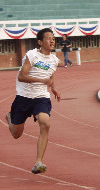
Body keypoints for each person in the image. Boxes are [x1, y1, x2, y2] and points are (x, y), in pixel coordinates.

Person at [5, 28, 61, 174]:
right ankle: (10, 118)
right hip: (23, 97)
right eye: (48, 38)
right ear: (40, 42)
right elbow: (21, 77)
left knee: (45, 123)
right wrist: (41, 80)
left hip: (41, 97)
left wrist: (53, 88)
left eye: (53, 38)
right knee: (16, 134)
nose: (52, 41)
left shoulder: (54, 60)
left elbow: (50, 75)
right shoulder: (32, 55)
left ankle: (38, 162)